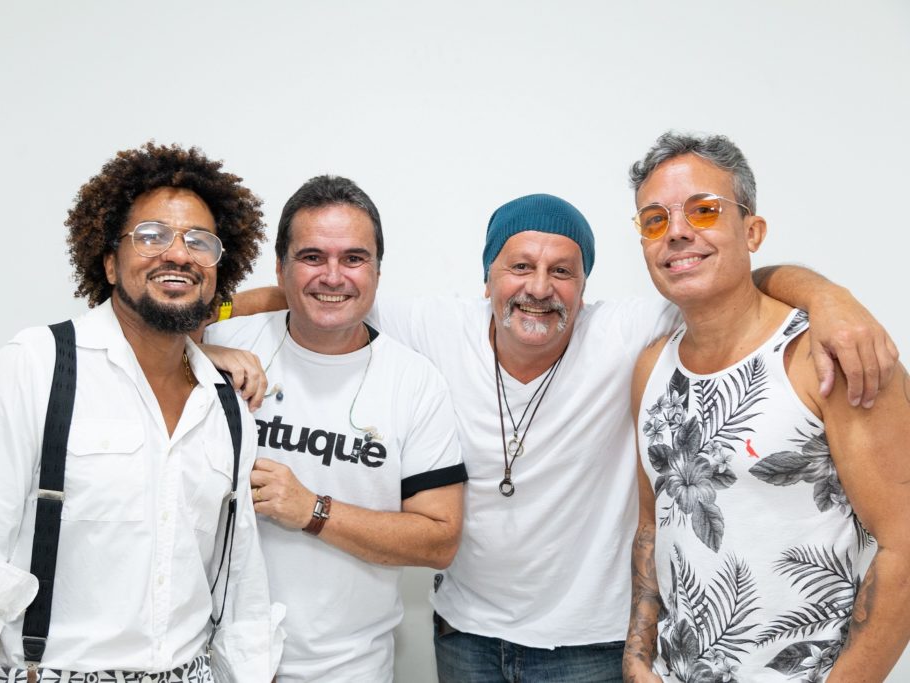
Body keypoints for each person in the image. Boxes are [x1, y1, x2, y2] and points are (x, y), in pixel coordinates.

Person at [217, 188, 897, 682]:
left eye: (562, 271)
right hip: (465, 635)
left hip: (591, 644)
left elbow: (738, 283)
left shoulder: (625, 331)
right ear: (487, 276)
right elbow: (308, 292)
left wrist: (828, 296)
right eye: (519, 266)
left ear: (584, 286)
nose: (538, 288)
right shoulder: (431, 326)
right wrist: (201, 324)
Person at [0, 142, 281, 683]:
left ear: (216, 269)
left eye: (199, 241)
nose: (178, 254)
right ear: (110, 262)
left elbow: (240, 586)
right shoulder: (31, 369)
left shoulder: (227, 405)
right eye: (151, 236)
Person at [623, 132, 910, 682]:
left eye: (704, 210)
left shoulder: (829, 356)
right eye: (654, 220)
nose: (676, 231)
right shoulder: (651, 368)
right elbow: (652, 524)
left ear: (752, 231)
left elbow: (905, 544)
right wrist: (638, 655)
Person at [204, 175, 467, 682]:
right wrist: (197, 351)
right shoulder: (221, 343)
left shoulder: (415, 382)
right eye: (311, 257)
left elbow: (439, 540)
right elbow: (138, 325)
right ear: (280, 267)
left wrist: (312, 510)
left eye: (353, 258)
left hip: (347, 668)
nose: (332, 276)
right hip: (211, 661)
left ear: (377, 271)